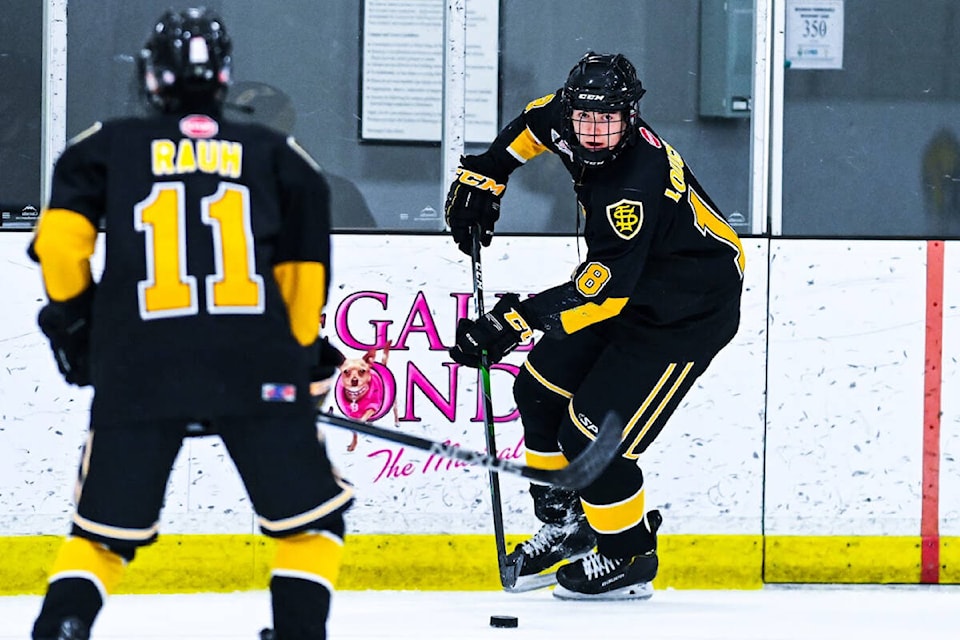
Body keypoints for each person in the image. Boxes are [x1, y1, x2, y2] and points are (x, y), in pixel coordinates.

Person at [29, 8, 352, 639]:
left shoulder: (103, 145)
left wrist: (74, 326)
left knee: (101, 537)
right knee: (313, 525)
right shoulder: (281, 154)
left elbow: (62, 244)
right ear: (225, 76)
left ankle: (62, 631)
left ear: (152, 77)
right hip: (256, 364)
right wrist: (303, 354)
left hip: (138, 366)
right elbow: (302, 275)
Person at [446, 52, 744, 600]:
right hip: (631, 286)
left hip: (684, 310)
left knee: (591, 441)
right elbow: (535, 124)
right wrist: (487, 172)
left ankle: (629, 555)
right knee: (537, 390)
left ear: (631, 116)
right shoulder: (568, 117)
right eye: (584, 119)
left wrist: (513, 320)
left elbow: (603, 294)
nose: (593, 133)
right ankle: (567, 524)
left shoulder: (633, 181)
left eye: (608, 120)